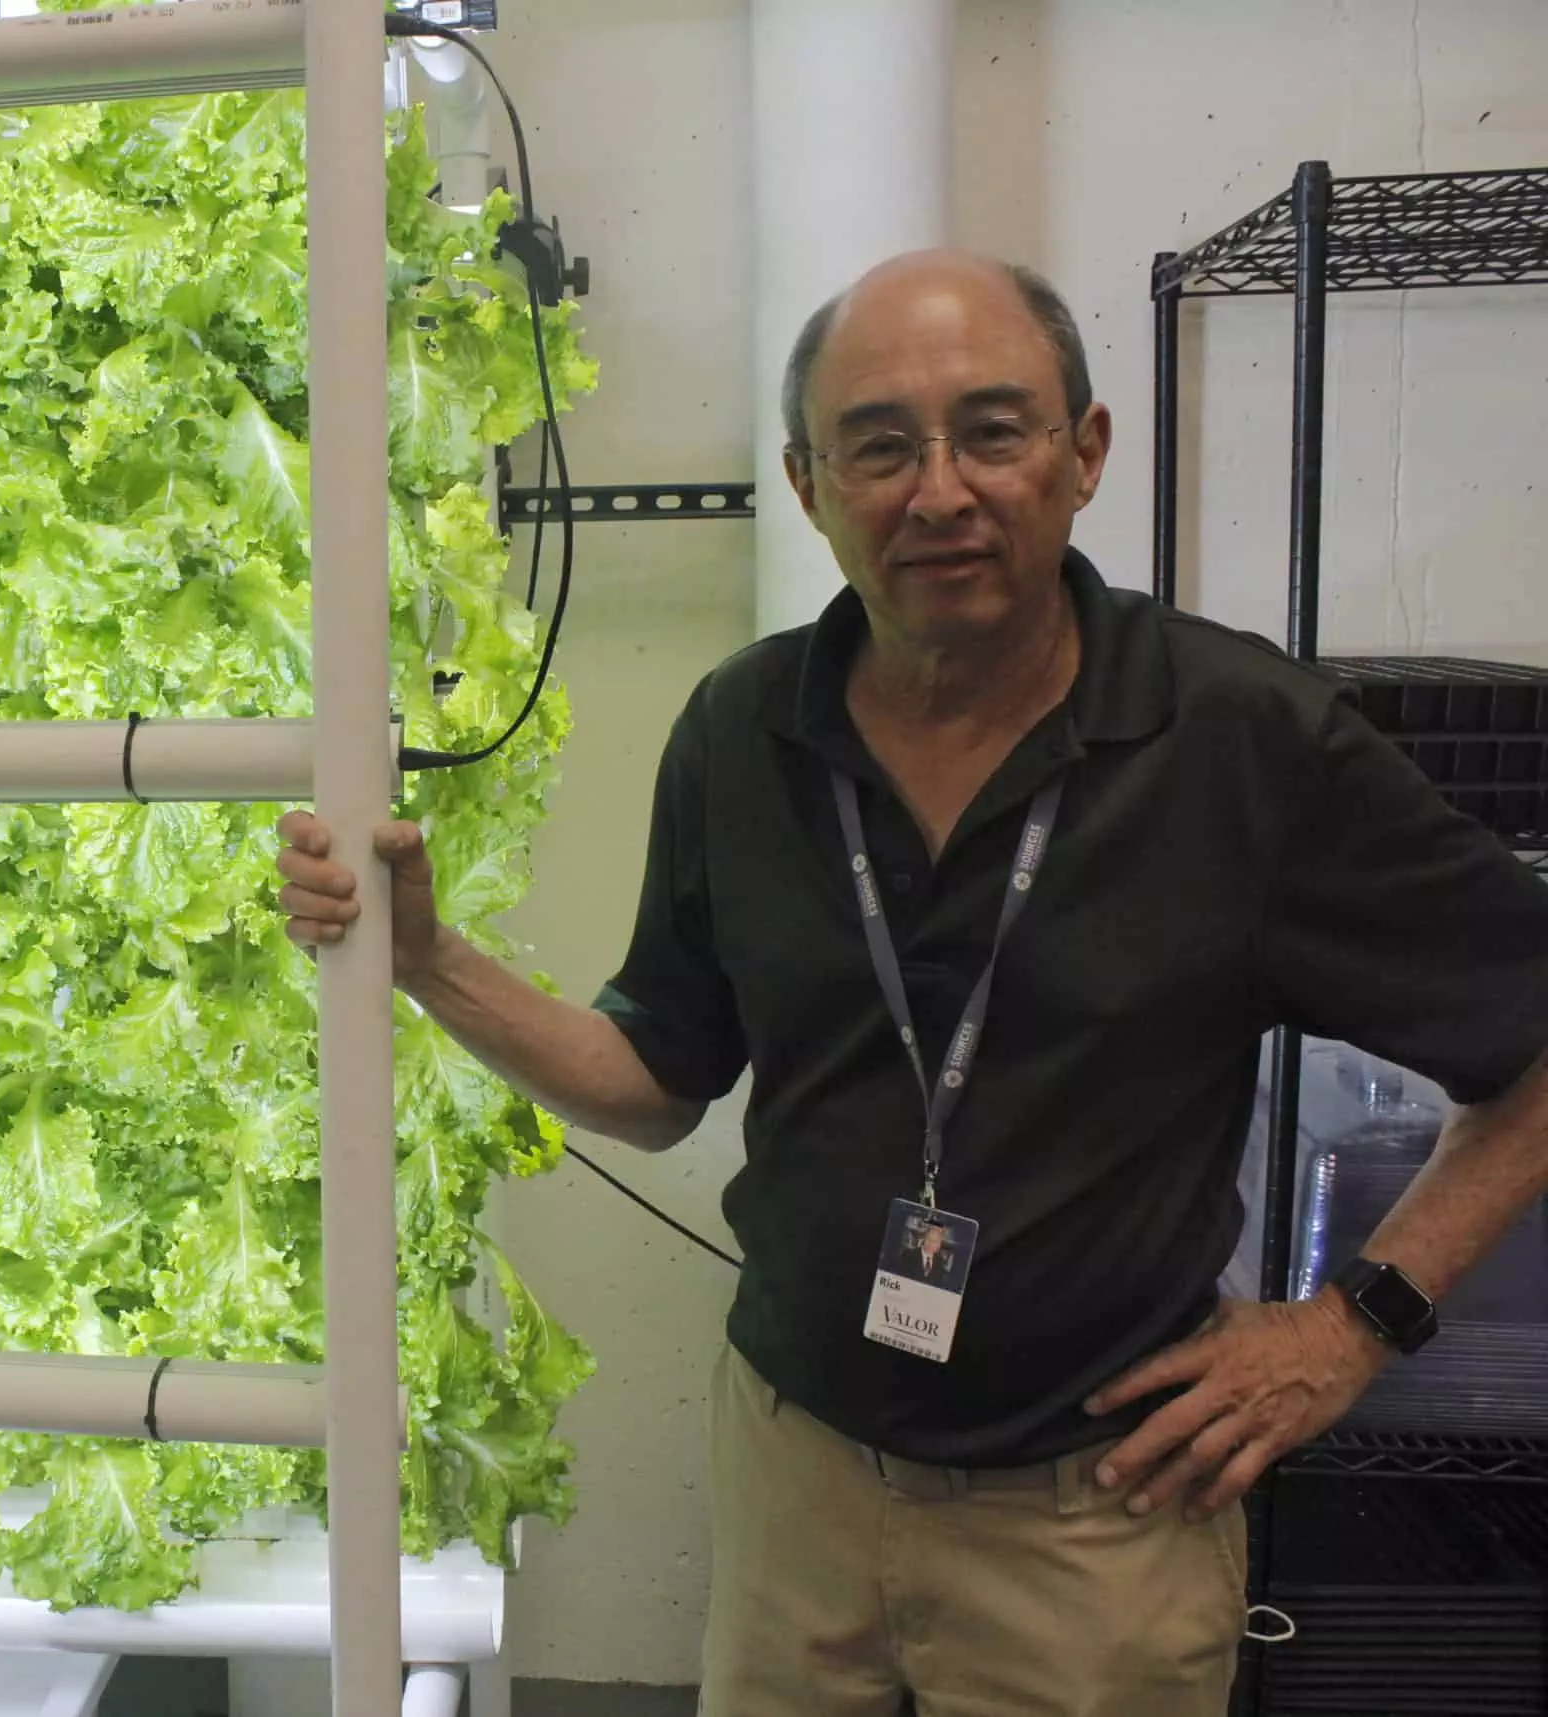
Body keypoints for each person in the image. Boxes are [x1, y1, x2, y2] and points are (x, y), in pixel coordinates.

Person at [274, 249, 1548, 1716]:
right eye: (878, 445)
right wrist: (427, 961)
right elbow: (654, 1088)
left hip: (1098, 1528)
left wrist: (1357, 1324)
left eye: (992, 432)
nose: (937, 490)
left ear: (1084, 456)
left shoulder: (1244, 742)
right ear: (810, 488)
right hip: (796, 1479)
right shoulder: (743, 731)